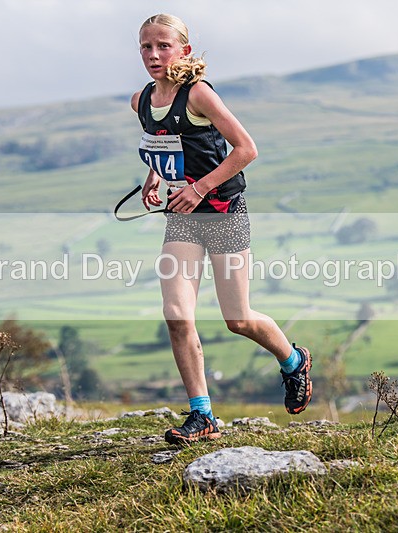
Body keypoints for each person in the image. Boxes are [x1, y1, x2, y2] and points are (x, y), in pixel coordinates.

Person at [131, 13, 313, 445]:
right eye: (146, 47)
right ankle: (203, 415)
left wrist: (198, 188)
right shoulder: (140, 101)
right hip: (183, 219)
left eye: (163, 46)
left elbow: (247, 149)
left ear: (184, 50)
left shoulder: (199, 94)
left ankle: (293, 361)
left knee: (238, 319)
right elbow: (164, 143)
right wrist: (154, 178)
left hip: (224, 212)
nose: (154, 55)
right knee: (177, 315)